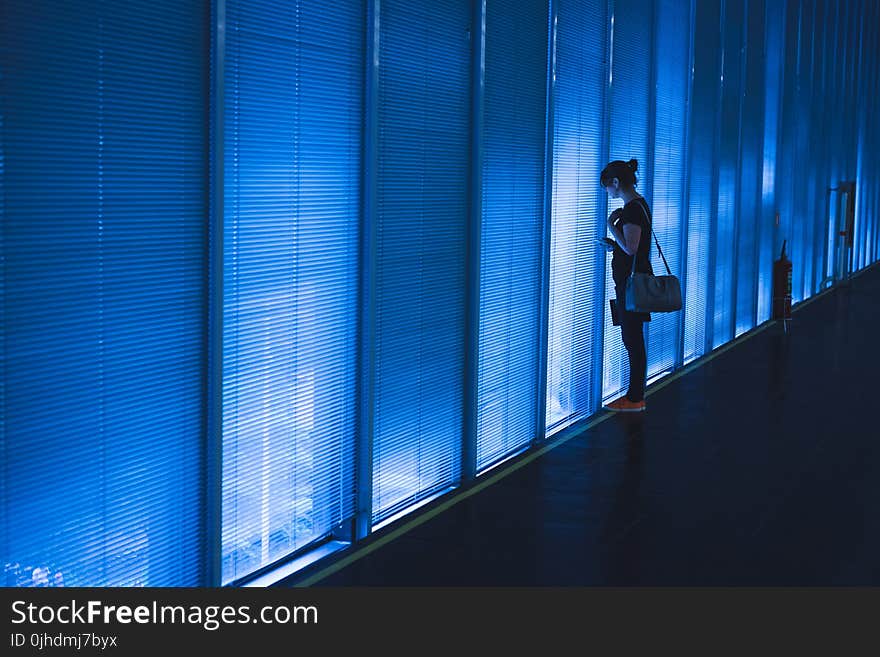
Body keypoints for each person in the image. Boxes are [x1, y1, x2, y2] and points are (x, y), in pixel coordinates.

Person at [601, 158, 652, 412]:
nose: (607, 192)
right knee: (633, 337)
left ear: (616, 183)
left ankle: (634, 399)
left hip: (631, 284)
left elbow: (631, 248)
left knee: (632, 338)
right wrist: (614, 245)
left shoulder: (631, 209)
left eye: (607, 187)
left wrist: (611, 226)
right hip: (633, 280)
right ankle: (635, 396)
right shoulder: (638, 205)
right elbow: (633, 247)